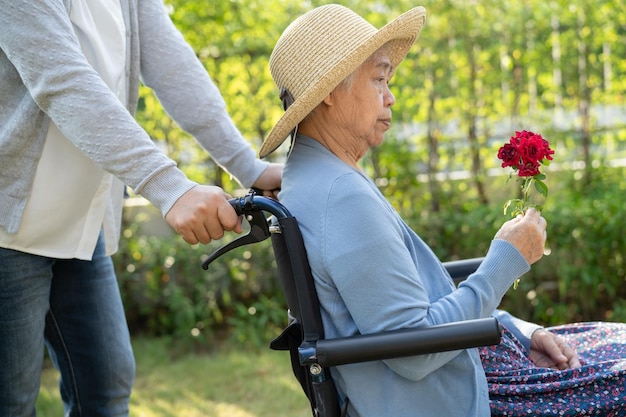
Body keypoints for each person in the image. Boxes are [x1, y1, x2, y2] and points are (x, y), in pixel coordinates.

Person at [259, 4, 626, 417]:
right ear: (328, 91)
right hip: (466, 395)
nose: (390, 95)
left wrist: (518, 331)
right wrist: (505, 260)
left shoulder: (314, 175)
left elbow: (413, 307)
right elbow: (414, 349)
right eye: (379, 78)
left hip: (473, 365)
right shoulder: (339, 195)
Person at [0, 1, 280, 416]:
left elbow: (174, 67)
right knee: (13, 402)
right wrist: (169, 187)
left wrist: (249, 167)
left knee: (107, 391)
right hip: (8, 231)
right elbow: (61, 80)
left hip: (79, 228)